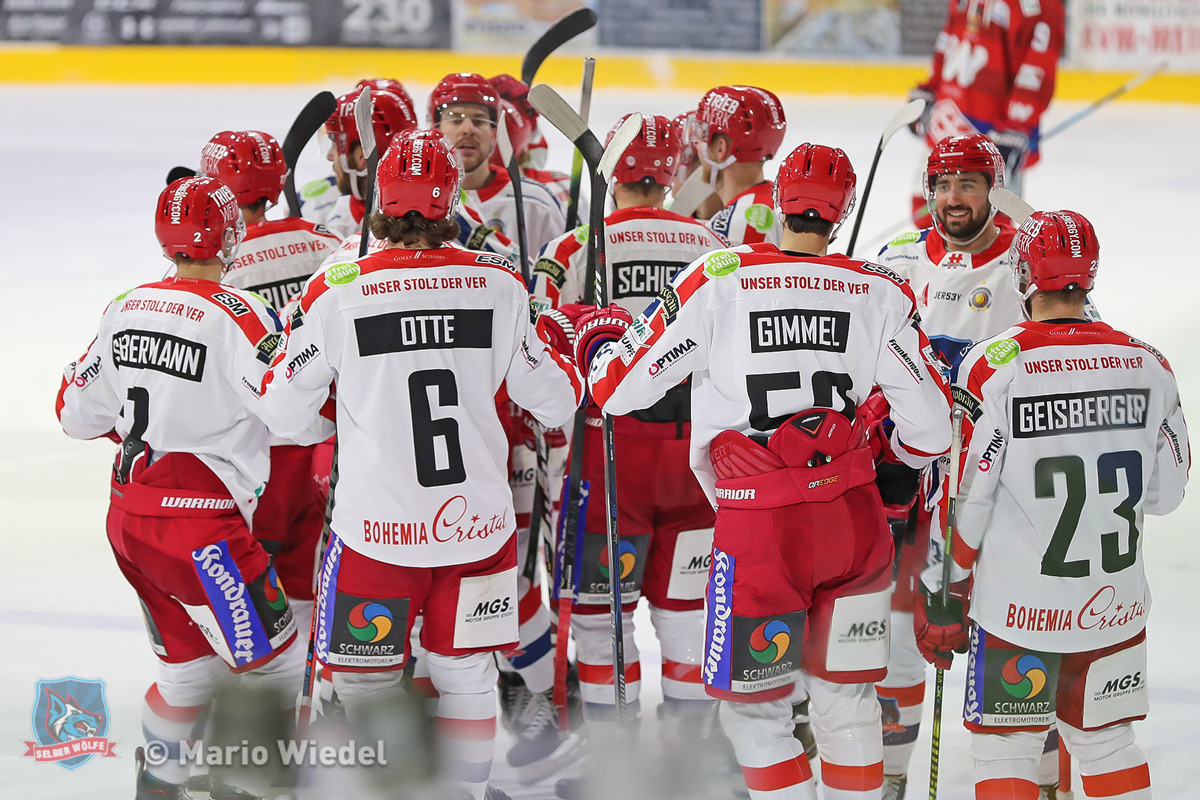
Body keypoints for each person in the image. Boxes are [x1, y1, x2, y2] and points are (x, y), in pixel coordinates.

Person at [579, 143, 953, 800]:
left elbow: (617, 391)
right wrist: (881, 445)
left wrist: (606, 336)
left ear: (777, 202)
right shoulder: (880, 290)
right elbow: (930, 430)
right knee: (848, 703)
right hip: (852, 524)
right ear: (840, 214)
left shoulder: (718, 277)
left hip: (760, 531)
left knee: (757, 714)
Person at [257, 131, 583, 800]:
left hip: (377, 532)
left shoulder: (338, 286)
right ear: (452, 201)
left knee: (365, 685)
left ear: (379, 199)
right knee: (467, 676)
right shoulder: (498, 283)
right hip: (478, 533)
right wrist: (560, 336)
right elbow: (553, 400)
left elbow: (284, 416)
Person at [916, 209, 1189, 800]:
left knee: (1005, 751)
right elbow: (1166, 495)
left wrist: (944, 590)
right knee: (1108, 743)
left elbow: (968, 498)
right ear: (1089, 275)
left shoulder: (995, 365)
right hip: (1114, 608)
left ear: (1023, 274)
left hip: (1019, 612)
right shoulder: (1150, 363)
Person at [56, 176, 304, 800]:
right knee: (278, 666)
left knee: (187, 676)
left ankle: (159, 788)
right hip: (202, 533)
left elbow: (73, 414)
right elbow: (297, 416)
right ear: (229, 236)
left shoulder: (125, 305)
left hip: (129, 524)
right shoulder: (240, 316)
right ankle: (246, 788)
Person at [530, 114, 729, 793]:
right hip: (697, 466)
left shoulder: (575, 245)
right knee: (688, 621)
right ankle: (687, 772)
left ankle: (610, 776)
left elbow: (542, 345)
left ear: (612, 171)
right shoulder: (713, 244)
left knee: (600, 625)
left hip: (606, 460)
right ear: (676, 173)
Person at [199, 129, 342, 643]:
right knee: (309, 588)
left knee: (249, 599)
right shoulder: (328, 243)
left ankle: (252, 704)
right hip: (326, 447)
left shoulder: (212, 270)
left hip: (251, 457)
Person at [907, 0, 1065, 217]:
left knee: (988, 230)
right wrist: (931, 87)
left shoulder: (1041, 5)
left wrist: (1016, 126)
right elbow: (951, 35)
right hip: (948, 117)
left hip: (994, 131)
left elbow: (1038, 62)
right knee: (925, 215)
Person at [429, 72, 567, 256]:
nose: (468, 129)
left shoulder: (537, 203)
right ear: (435, 130)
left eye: (479, 120)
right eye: (455, 119)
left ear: (495, 133)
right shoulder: (420, 205)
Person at [686, 85, 787, 246]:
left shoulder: (730, 228)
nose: (697, 146)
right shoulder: (782, 204)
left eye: (702, 135)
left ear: (720, 149)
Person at [322, 86, 419, 240]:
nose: (330, 157)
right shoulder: (436, 211)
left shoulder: (343, 219)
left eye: (334, 146)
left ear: (361, 156)